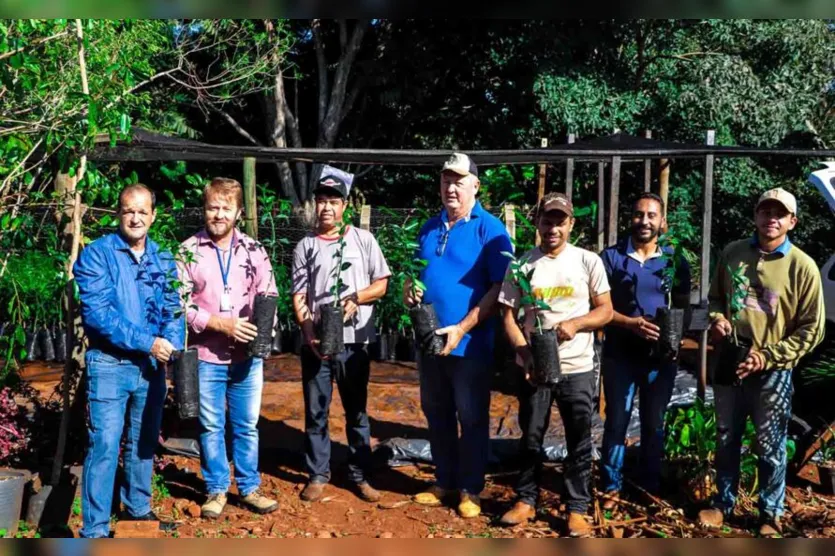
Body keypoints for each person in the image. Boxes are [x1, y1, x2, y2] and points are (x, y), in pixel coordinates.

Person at [698, 188, 825, 537]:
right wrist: (718, 319)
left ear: (792, 221)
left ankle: (770, 513)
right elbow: (716, 298)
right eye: (765, 212)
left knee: (770, 444)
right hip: (730, 362)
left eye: (779, 214)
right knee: (726, 437)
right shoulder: (734, 253)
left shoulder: (802, 266)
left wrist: (767, 356)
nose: (771, 219)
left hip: (772, 371)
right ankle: (723, 504)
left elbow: (812, 329)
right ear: (755, 216)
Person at [497, 192, 613, 537]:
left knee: (579, 437)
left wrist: (575, 324)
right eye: (547, 220)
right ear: (538, 223)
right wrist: (525, 353)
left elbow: (605, 310)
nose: (553, 228)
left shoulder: (587, 261)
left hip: (577, 367)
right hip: (536, 368)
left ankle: (576, 507)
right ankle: (526, 499)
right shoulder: (522, 264)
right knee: (531, 434)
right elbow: (508, 316)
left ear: (571, 224)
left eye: (560, 221)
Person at [404, 152, 513, 519]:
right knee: (436, 411)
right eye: (446, 180)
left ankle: (471, 488)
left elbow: (501, 289)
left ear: (475, 186)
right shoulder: (428, 227)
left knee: (471, 416)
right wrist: (410, 289)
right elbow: (418, 274)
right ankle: (444, 480)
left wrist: (462, 327)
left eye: (459, 181)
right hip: (430, 340)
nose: (451, 187)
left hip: (469, 344)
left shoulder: (491, 229)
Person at [74, 183, 184, 538]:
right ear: (118, 214)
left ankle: (137, 512)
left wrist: (172, 344)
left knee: (144, 440)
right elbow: (99, 316)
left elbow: (173, 309)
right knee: (105, 443)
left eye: (142, 211)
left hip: (151, 369)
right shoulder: (96, 255)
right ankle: (95, 529)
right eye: (128, 211)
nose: (135, 218)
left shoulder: (162, 258)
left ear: (153, 215)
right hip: (110, 364)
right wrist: (149, 342)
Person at [179, 177, 279, 518]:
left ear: (238, 212)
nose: (218, 214)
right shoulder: (188, 251)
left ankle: (249, 488)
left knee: (246, 425)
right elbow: (179, 306)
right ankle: (217, 489)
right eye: (212, 208)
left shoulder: (254, 250)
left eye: (226, 208)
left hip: (247, 357)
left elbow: (269, 293)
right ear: (204, 209)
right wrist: (220, 323)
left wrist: (263, 329)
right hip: (206, 356)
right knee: (210, 425)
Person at [292, 166, 391, 503]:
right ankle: (318, 474)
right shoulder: (305, 245)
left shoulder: (364, 240)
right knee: (316, 410)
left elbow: (382, 284)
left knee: (356, 410)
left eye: (333, 202)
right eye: (321, 201)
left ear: (344, 205)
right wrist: (308, 333)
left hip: (355, 341)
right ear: (314, 205)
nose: (326, 208)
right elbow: (298, 295)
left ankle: (360, 475)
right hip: (318, 341)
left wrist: (354, 298)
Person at [598, 193, 691, 507]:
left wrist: (675, 338)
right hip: (619, 355)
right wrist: (630, 323)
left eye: (652, 215)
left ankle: (648, 485)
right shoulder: (610, 258)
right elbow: (600, 308)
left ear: (662, 221)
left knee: (654, 422)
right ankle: (610, 486)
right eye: (639, 215)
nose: (645, 221)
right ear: (630, 219)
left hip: (658, 359)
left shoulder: (674, 260)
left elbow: (682, 307)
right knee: (616, 421)